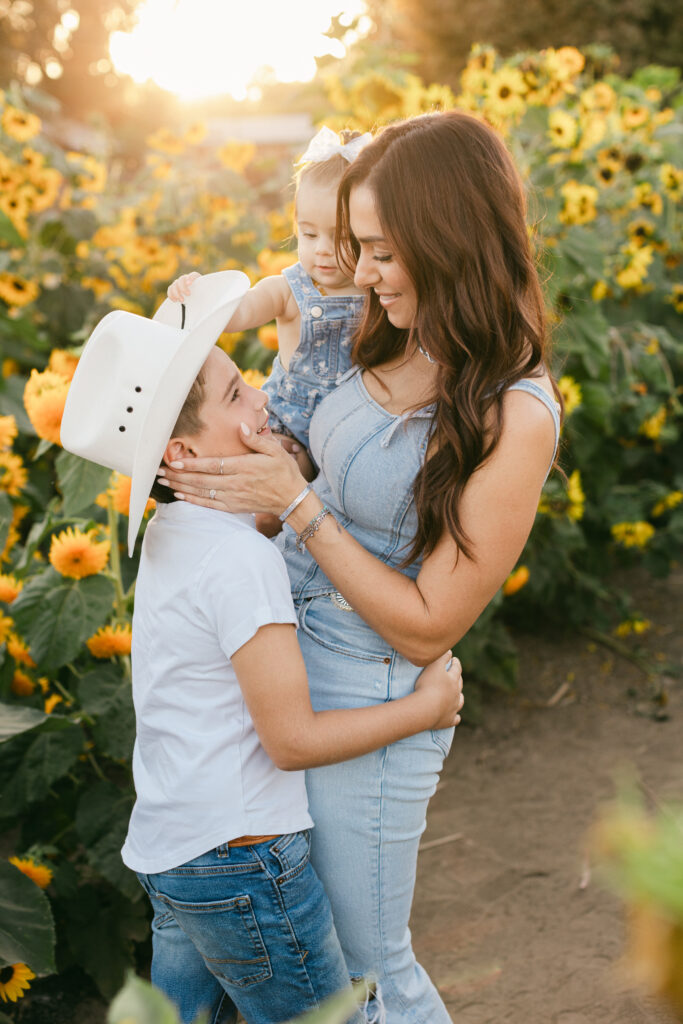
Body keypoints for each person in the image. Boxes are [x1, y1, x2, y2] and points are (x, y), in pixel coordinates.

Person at [156, 111, 563, 1022]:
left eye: (380, 251)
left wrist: (294, 502)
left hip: (371, 693)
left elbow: (430, 622)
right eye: (353, 247)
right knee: (295, 952)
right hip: (286, 673)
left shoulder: (515, 413)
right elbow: (299, 437)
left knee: (365, 972)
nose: (360, 274)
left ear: (446, 239)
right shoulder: (389, 331)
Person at [59, 272, 464, 1024]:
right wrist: (425, 707)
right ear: (182, 451)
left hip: (171, 851)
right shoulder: (240, 562)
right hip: (242, 857)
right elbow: (292, 739)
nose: (265, 401)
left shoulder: (173, 536)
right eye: (237, 394)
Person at [168, 125, 372, 453]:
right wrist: (199, 297)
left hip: (354, 428)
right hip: (288, 426)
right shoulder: (289, 289)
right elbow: (243, 310)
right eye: (308, 234)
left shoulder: (377, 291)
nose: (322, 249)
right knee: (275, 466)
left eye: (341, 237)